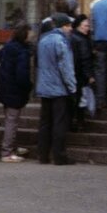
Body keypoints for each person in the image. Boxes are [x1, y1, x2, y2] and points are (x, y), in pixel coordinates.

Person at [36, 13, 77, 165]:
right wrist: (72, 87)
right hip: (59, 88)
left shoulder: (43, 40)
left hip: (44, 86)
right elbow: (65, 67)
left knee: (45, 123)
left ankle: (43, 155)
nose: (70, 29)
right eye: (69, 26)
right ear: (63, 26)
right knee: (59, 123)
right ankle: (59, 156)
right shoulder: (61, 41)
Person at [0, 24, 32, 162]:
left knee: (10, 119)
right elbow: (22, 74)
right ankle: (7, 152)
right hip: (15, 90)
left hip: (6, 87)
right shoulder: (21, 51)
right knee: (12, 121)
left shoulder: (7, 48)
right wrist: (28, 86)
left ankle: (11, 147)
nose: (32, 35)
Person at [70, 14, 96, 131]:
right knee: (81, 99)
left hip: (73, 73)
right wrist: (89, 75)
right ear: (78, 26)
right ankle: (79, 122)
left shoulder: (72, 37)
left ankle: (74, 121)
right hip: (80, 75)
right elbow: (85, 59)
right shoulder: (82, 40)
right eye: (85, 26)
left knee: (76, 98)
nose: (88, 28)